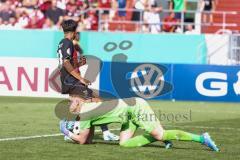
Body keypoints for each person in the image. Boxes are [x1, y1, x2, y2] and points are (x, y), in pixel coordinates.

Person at [59, 97, 219, 152]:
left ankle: (201, 138)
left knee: (160, 134)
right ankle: (157, 137)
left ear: (76, 111)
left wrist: (66, 131)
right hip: (128, 113)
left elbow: (81, 141)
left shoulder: (85, 113)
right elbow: (88, 140)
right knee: (124, 144)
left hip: (136, 108)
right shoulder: (87, 110)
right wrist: (80, 133)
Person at [57, 19, 119, 141]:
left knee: (82, 106)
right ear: (74, 32)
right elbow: (65, 63)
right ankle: (103, 133)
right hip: (72, 81)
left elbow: (68, 63)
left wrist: (79, 63)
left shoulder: (62, 43)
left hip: (69, 81)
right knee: (96, 103)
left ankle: (70, 130)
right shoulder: (67, 43)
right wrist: (81, 78)